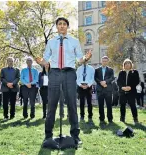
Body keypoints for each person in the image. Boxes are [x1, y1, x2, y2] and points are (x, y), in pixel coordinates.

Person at [36, 17, 92, 145]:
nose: (62, 26)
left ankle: (75, 136)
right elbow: (46, 59)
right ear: (57, 27)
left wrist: (86, 58)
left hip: (69, 73)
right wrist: (41, 61)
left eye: (64, 24)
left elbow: (79, 59)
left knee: (72, 104)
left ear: (67, 26)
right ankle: (48, 135)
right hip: (54, 73)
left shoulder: (74, 41)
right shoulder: (51, 42)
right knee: (52, 105)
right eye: (59, 24)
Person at [117, 58, 139, 123]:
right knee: (122, 105)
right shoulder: (121, 72)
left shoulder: (135, 72)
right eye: (125, 63)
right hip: (122, 92)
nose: (127, 64)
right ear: (124, 65)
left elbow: (137, 81)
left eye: (128, 63)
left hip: (131, 92)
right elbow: (118, 81)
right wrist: (122, 87)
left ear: (131, 64)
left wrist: (131, 87)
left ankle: (135, 119)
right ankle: (122, 119)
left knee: (132, 105)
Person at [94, 56, 114, 124]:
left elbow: (112, 78)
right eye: (103, 61)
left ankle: (110, 119)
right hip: (100, 90)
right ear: (101, 61)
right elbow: (95, 78)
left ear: (107, 61)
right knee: (100, 105)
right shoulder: (97, 70)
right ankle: (101, 119)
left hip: (108, 90)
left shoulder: (110, 70)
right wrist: (100, 82)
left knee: (109, 105)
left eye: (106, 61)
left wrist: (105, 82)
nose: (104, 62)